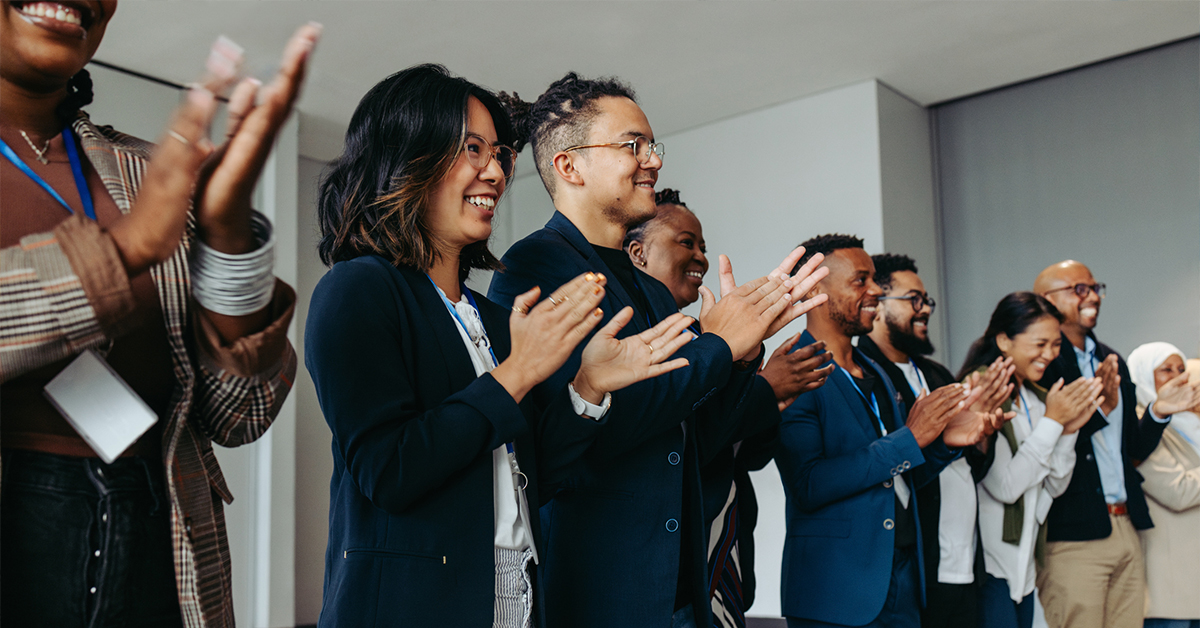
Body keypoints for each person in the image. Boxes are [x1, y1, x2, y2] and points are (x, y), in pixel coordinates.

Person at [304, 64, 694, 628]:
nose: (495, 172)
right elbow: (389, 470)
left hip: (514, 603)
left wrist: (588, 386)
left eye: (499, 153)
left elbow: (536, 474)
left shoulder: (490, 315)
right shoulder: (358, 288)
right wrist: (518, 372)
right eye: (471, 149)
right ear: (409, 155)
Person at [0, 2, 317, 625]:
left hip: (162, 540)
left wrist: (227, 231)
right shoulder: (150, 214)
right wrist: (121, 252)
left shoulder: (154, 174)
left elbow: (239, 415)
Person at [489, 73, 830, 628]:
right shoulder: (531, 269)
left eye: (652, 145)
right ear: (569, 166)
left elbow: (696, 433)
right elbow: (578, 439)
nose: (652, 159)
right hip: (601, 589)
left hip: (679, 587)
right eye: (632, 146)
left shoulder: (649, 288)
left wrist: (743, 356)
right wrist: (718, 344)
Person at [624, 189, 833, 626]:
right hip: (670, 574)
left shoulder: (705, 341)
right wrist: (763, 386)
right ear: (638, 253)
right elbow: (684, 449)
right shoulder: (631, 342)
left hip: (724, 562)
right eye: (686, 242)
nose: (700, 256)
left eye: (702, 244)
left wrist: (752, 375)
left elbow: (749, 455)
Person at [775, 234, 998, 628]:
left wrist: (946, 445)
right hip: (836, 592)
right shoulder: (794, 370)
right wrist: (909, 439)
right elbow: (808, 485)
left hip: (903, 583)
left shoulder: (877, 371)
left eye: (875, 280)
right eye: (861, 280)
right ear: (816, 290)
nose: (876, 290)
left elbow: (901, 477)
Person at [1033, 261, 1200, 628]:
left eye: (1095, 287)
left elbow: (1133, 451)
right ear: (1046, 300)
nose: (1092, 296)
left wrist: (1157, 412)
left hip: (1125, 526)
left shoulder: (1110, 359)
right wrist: (1101, 408)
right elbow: (1051, 443)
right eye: (1079, 289)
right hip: (1074, 533)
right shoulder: (1044, 365)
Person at [858, 254, 1012, 628]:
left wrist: (981, 436)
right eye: (914, 299)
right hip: (919, 555)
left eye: (926, 300)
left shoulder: (937, 373)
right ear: (877, 302)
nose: (925, 309)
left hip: (963, 556)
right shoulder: (867, 373)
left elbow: (970, 467)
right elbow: (888, 463)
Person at [958, 292, 1101, 628]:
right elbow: (1004, 486)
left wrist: (1066, 432)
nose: (1050, 354)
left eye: (1055, 344)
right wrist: (1054, 422)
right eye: (1040, 344)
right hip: (989, 568)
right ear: (1005, 341)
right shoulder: (980, 391)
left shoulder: (1037, 397)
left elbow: (1054, 485)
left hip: (1025, 567)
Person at [1127, 343, 1200, 628]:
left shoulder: (1186, 425)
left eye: (1181, 369)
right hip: (1169, 585)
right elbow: (1177, 491)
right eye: (1165, 370)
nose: (1176, 377)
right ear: (1143, 374)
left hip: (1192, 579)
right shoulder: (1141, 424)